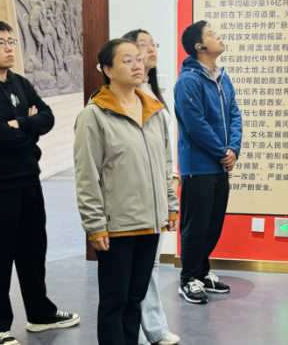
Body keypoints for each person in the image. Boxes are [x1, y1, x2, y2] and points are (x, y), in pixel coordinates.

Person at [0, 20, 79, 345]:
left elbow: (48, 117)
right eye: (0, 42)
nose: (9, 47)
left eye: (11, 41)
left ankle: (40, 314)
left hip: (29, 179)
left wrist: (20, 124)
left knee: (33, 251)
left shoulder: (21, 83)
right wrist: (29, 129)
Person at [74, 39, 178, 345]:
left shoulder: (154, 110)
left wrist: (171, 206)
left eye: (139, 59)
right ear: (107, 70)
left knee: (136, 299)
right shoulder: (94, 115)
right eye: (127, 60)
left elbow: (166, 164)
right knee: (114, 302)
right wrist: (94, 226)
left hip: (151, 223)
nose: (137, 65)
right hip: (117, 225)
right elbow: (87, 175)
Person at [174, 21, 239, 304]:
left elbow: (234, 114)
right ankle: (188, 279)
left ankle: (201, 272)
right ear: (199, 46)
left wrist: (234, 149)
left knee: (213, 224)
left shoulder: (223, 78)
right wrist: (222, 151)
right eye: (211, 34)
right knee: (196, 226)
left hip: (219, 165)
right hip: (198, 167)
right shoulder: (188, 81)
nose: (218, 36)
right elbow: (196, 124)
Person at [122, 29, 180, 345]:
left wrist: (172, 177)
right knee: (137, 269)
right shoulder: (121, 97)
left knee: (150, 265)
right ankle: (147, 330)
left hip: (157, 192)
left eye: (152, 44)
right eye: (141, 45)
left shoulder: (153, 95)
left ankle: (153, 328)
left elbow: (165, 147)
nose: (150, 50)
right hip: (132, 197)